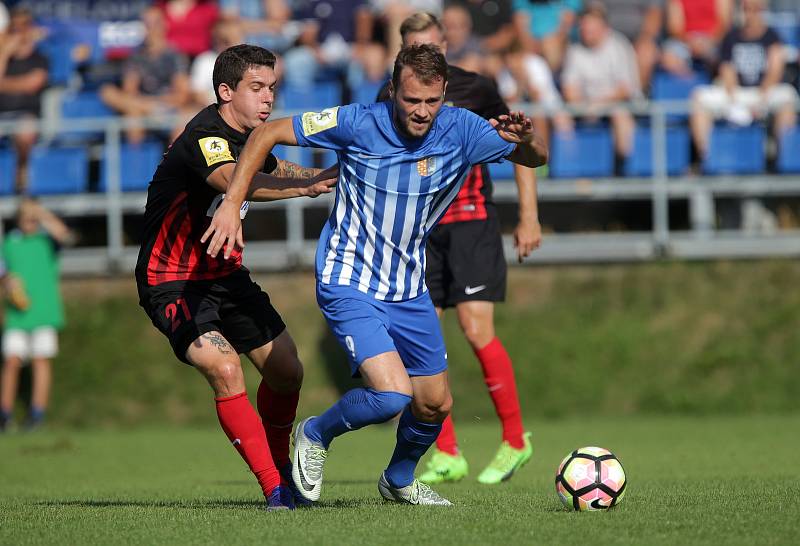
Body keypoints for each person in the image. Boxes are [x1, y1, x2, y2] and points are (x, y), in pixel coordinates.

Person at [203, 43, 548, 505]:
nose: (422, 112)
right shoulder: (357, 121)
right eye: (411, 100)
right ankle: (316, 433)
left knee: (434, 404)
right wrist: (231, 206)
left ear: (445, 92)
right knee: (391, 396)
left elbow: (536, 158)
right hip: (349, 279)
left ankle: (399, 479)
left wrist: (525, 140)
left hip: (408, 287)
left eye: (432, 100)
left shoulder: (462, 128)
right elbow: (266, 135)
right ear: (392, 90)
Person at [134, 44, 337, 510]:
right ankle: (275, 488)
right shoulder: (205, 135)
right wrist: (302, 187)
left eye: (272, 88)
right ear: (226, 91)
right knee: (226, 369)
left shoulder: (252, 136)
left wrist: (320, 175)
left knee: (288, 370)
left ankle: (284, 470)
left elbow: (270, 165)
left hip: (225, 275)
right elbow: (232, 179)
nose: (268, 99)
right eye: (256, 88)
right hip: (173, 280)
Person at [375, 12, 541, 485]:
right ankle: (447, 451)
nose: (423, 54)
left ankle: (514, 439)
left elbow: (520, 145)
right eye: (412, 48)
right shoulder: (390, 99)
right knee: (422, 340)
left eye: (430, 44)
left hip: (471, 223)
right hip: (419, 232)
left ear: (445, 43)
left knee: (475, 327)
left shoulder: (478, 89)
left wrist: (529, 215)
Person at [689, 0, 798, 159]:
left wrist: (761, 98)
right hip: (736, 93)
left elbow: (775, 71)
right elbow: (727, 70)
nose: (751, 14)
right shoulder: (731, 36)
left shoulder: (772, 36)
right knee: (699, 97)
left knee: (788, 96)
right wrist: (734, 99)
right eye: (747, 9)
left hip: (763, 94)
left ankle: (781, 157)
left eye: (755, 9)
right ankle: (705, 157)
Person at [1, 199, 74, 432]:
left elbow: (65, 235)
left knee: (41, 361)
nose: (29, 220)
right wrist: (7, 282)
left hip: (44, 312)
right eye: (26, 215)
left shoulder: (46, 241)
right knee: (11, 361)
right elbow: (2, 270)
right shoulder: (9, 243)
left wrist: (41, 213)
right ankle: (5, 414)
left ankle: (36, 414)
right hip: (17, 314)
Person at [560, 1, 642, 172]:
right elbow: (569, 90)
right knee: (560, 116)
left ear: (604, 28)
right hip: (585, 106)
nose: (586, 32)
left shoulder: (619, 45)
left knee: (620, 115)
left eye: (591, 28)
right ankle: (570, 167)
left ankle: (623, 169)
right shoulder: (575, 50)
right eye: (584, 28)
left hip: (618, 105)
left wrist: (597, 105)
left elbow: (625, 89)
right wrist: (585, 106)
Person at [99, 6, 192, 144]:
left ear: (164, 26)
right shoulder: (136, 57)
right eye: (145, 24)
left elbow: (182, 95)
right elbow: (129, 92)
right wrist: (149, 107)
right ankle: (137, 162)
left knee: (184, 118)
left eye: (154, 24)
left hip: (169, 109)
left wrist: (157, 104)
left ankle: (172, 163)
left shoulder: (175, 56)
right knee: (115, 99)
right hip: (143, 108)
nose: (149, 29)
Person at [0, 7, 48, 192]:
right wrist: (4, 52)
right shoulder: (5, 58)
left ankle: (21, 178)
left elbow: (32, 84)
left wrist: (4, 84)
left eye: (24, 26)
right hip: (2, 116)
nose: (20, 31)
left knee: (25, 131)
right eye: (15, 27)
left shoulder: (39, 58)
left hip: (26, 115)